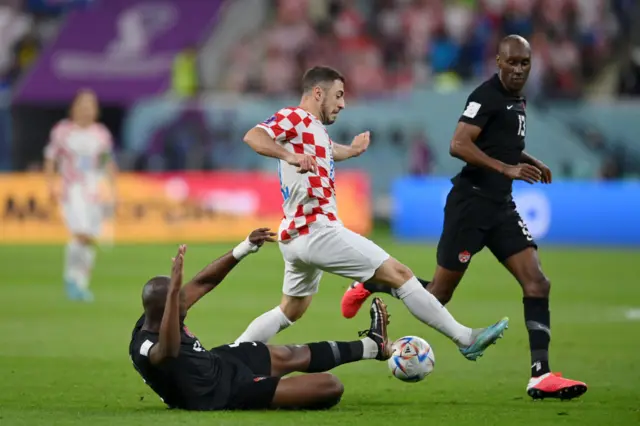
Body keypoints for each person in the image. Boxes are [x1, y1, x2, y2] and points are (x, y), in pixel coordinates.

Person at [340, 36, 587, 400]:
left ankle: (540, 375)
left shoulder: (516, 99)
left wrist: (528, 160)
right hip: (470, 206)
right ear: (498, 62)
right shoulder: (485, 96)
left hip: (501, 208)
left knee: (537, 283)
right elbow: (458, 144)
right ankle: (373, 284)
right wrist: (506, 168)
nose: (519, 69)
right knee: (439, 295)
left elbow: (500, 141)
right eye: (513, 62)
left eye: (525, 64)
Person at [234, 66, 509, 362]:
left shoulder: (313, 131)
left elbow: (326, 150)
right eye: (338, 95)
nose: (342, 103)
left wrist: (350, 151)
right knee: (401, 275)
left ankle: (231, 354)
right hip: (317, 230)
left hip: (295, 236)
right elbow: (254, 136)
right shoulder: (295, 117)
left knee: (290, 310)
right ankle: (465, 338)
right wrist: (290, 156)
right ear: (317, 93)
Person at [129, 228, 393, 411]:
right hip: (223, 393)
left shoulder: (157, 311)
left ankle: (373, 346)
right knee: (330, 386)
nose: (185, 302)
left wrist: (245, 247)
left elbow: (204, 281)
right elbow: (169, 351)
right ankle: (275, 395)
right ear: (166, 309)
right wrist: (174, 291)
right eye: (179, 302)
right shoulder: (146, 347)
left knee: (292, 354)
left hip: (220, 363)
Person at [44, 88, 117, 302]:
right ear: (74, 107)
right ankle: (71, 279)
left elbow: (107, 162)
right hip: (71, 189)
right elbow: (51, 158)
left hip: (94, 191)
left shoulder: (101, 134)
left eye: (91, 105)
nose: (87, 109)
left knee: (89, 238)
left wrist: (113, 188)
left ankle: (81, 283)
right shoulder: (63, 131)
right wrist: (50, 184)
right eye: (83, 105)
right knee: (81, 233)